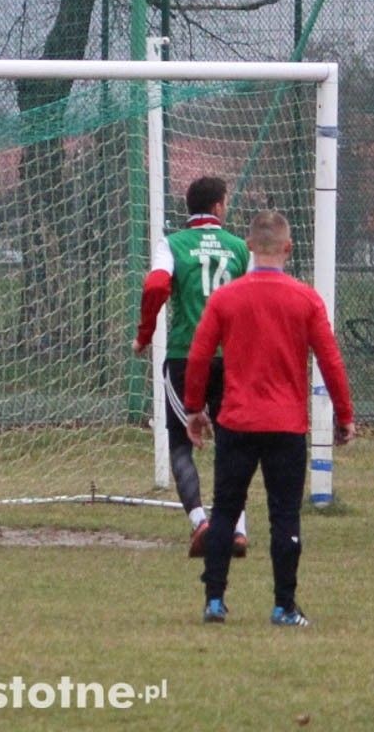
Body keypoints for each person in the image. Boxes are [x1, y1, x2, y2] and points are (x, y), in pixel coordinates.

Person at [184, 210, 355, 626]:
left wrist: (194, 408)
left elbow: (200, 355)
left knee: (225, 510)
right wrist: (344, 414)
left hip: (237, 422)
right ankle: (283, 605)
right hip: (285, 425)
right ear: (288, 248)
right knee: (284, 515)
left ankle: (214, 601)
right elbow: (330, 361)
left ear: (248, 247)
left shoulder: (226, 298)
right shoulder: (305, 298)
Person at [133, 176, 251, 557]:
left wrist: (145, 333)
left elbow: (154, 287)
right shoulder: (239, 248)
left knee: (181, 442)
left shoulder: (172, 245)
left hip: (187, 356)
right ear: (218, 207)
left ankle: (201, 522)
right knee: (233, 446)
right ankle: (237, 529)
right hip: (231, 359)